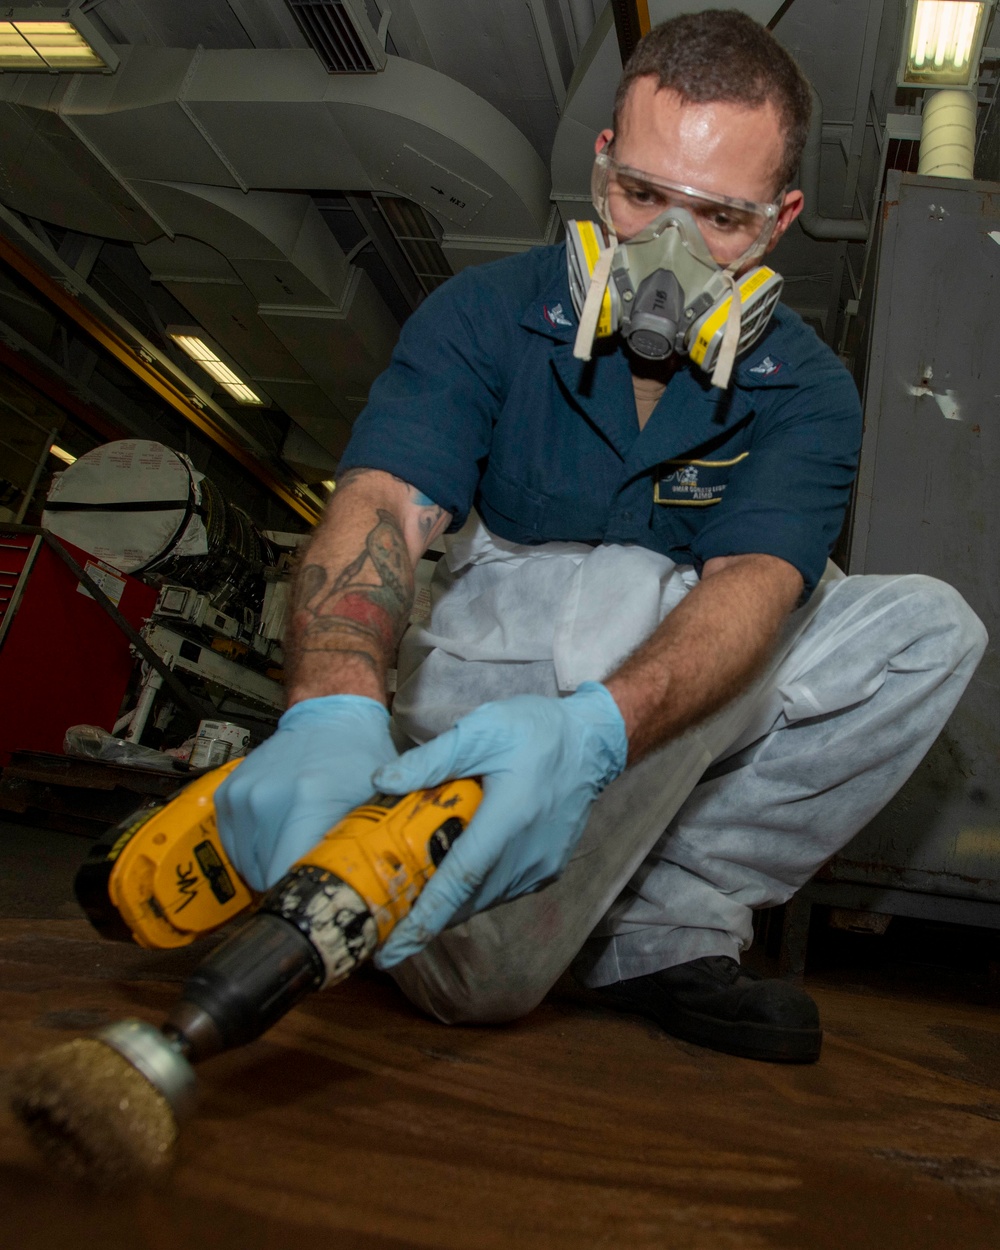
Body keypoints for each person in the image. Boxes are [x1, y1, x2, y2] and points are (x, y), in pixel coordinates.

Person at [216, 10, 987, 1064]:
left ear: (780, 220)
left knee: (923, 629)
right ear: (600, 167)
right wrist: (331, 703)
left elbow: (759, 582)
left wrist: (596, 733)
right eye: (641, 195)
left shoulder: (805, 385)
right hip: (495, 665)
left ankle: (657, 928)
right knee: (475, 981)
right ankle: (451, 875)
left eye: (719, 217)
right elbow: (387, 503)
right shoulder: (483, 312)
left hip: (664, 680)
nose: (666, 252)